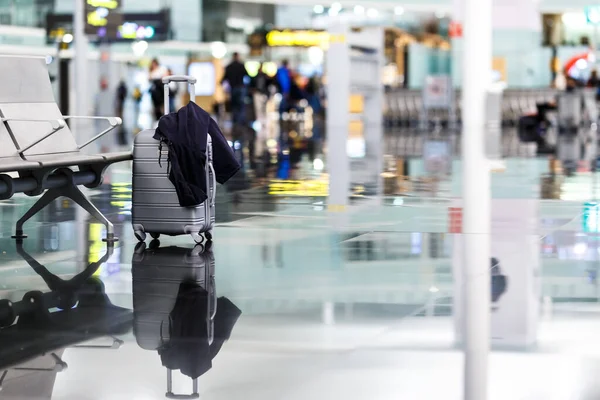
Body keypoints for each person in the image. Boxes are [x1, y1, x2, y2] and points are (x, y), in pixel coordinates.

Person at [222, 52, 249, 126]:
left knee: (234, 105)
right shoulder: (241, 65)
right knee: (240, 104)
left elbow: (224, 78)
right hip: (240, 87)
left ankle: (235, 120)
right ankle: (240, 120)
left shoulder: (229, 66)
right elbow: (247, 75)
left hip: (233, 88)